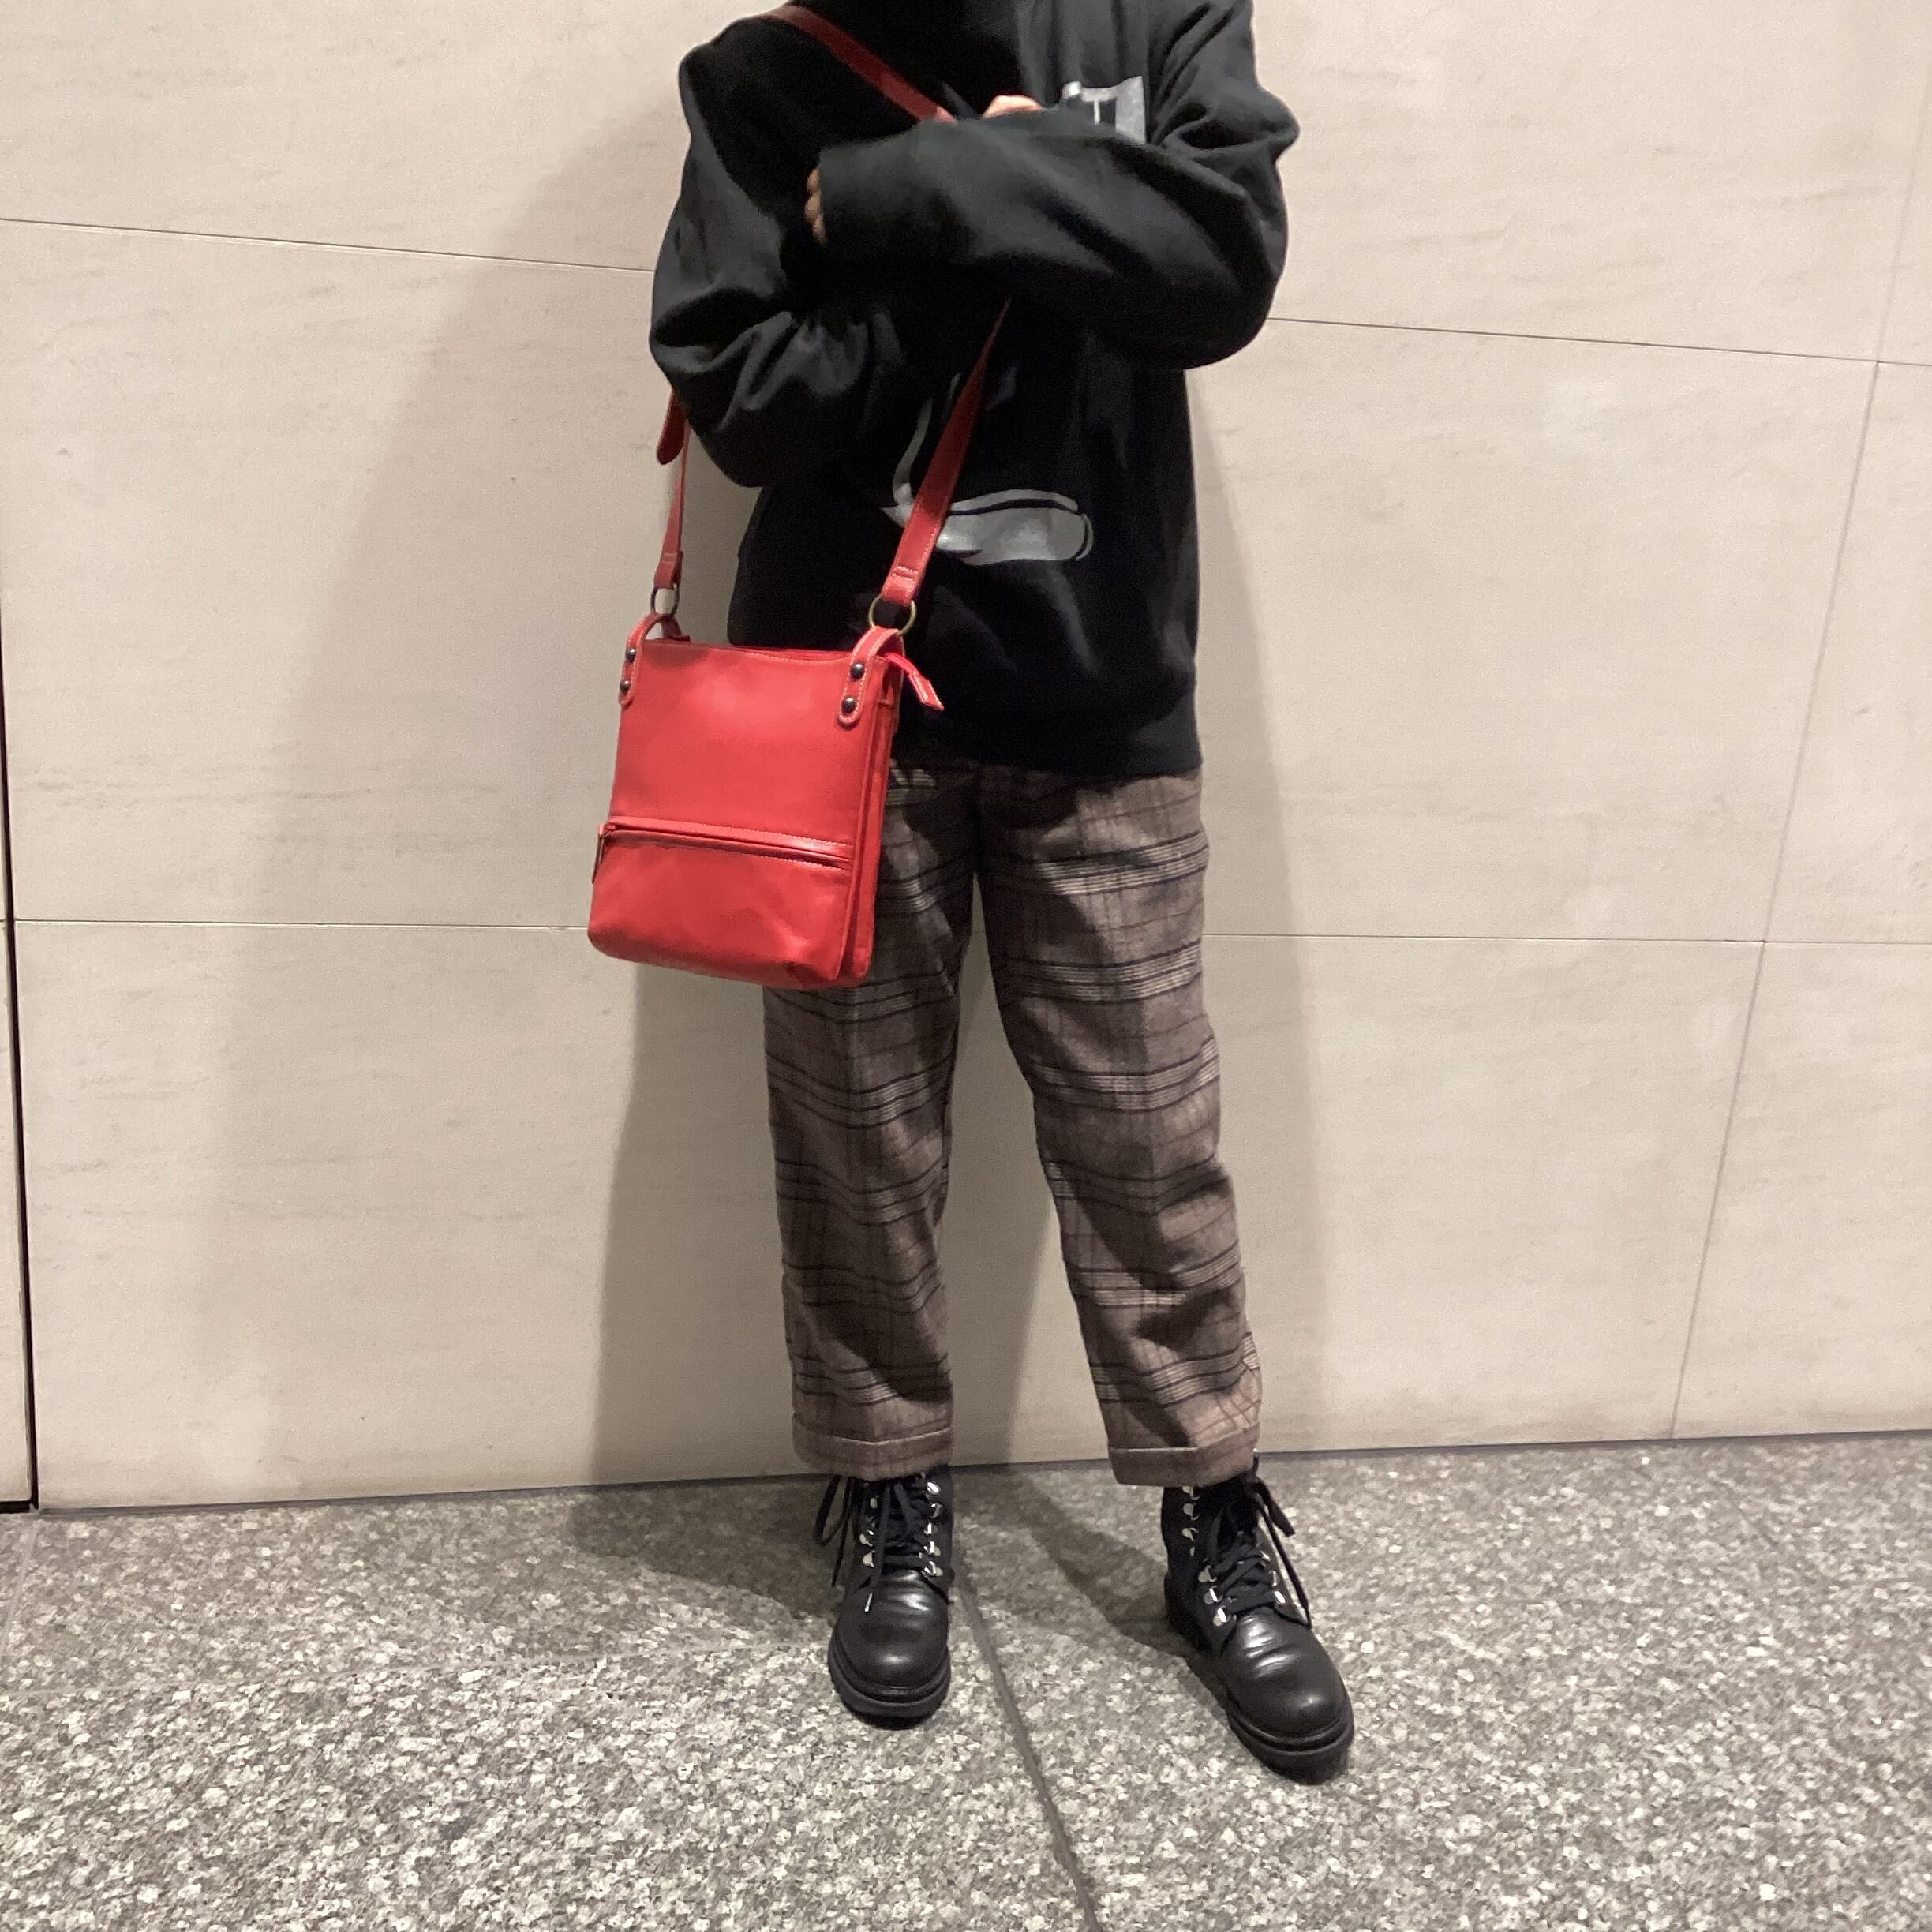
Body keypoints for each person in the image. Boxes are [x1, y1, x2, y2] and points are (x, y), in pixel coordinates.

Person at [650, 0, 1352, 1781]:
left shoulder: (1162, 13)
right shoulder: (765, 73)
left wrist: (914, 192)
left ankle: (1213, 1506)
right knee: (858, 1137)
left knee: (1149, 1142)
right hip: (838, 717)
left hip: (1105, 697)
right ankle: (886, 1490)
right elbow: (747, 402)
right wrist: (1036, 206)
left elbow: (1221, 266)